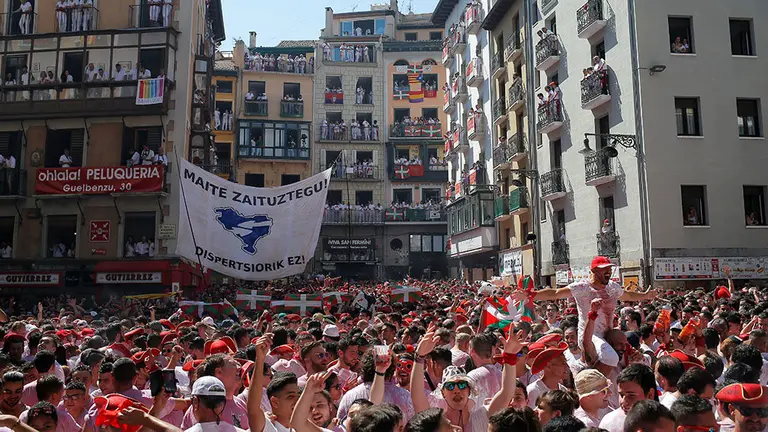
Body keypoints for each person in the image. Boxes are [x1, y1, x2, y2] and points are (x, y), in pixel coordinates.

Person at [598, 364, 658, 432]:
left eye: (631, 395)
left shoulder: (666, 422)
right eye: (621, 395)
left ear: (650, 395)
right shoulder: (610, 422)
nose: (623, 401)